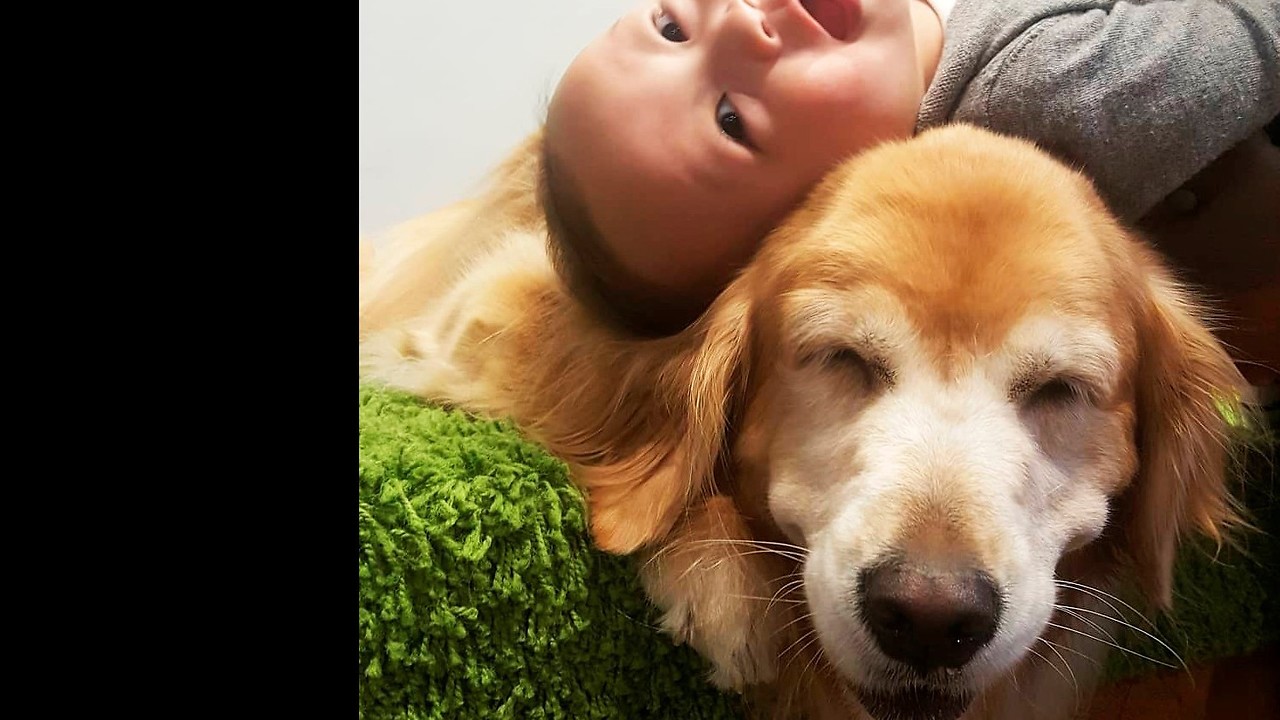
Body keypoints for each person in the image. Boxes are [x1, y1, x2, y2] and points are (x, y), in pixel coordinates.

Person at [539, 0, 1280, 341]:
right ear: (831, 212)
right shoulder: (1042, 100)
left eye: (672, 27)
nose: (738, 21)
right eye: (732, 119)